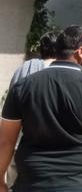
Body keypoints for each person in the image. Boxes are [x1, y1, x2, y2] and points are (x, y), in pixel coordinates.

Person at [0, 25, 82, 192]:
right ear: (81, 52)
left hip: (32, 182)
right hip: (79, 183)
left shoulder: (22, 87)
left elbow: (6, 141)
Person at [4, 31, 57, 186]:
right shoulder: (61, 72)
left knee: (15, 179)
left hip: (19, 139)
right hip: (48, 145)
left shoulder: (24, 68)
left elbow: (11, 105)